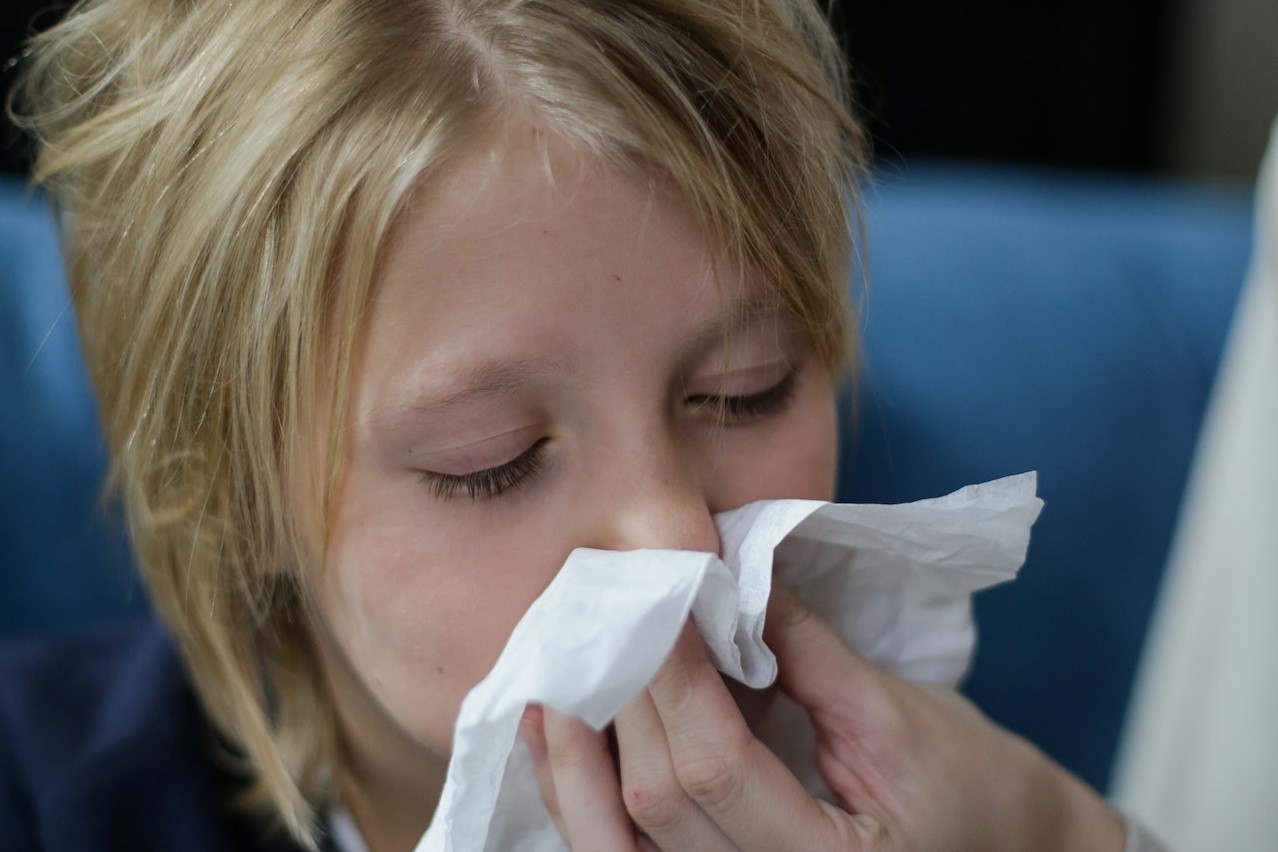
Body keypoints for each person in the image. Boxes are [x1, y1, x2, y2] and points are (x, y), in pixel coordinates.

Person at [1, 0, 1154, 849]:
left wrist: (1064, 833)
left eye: (744, 392)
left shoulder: (942, 797)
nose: (677, 545)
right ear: (237, 492)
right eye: (489, 466)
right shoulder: (42, 797)